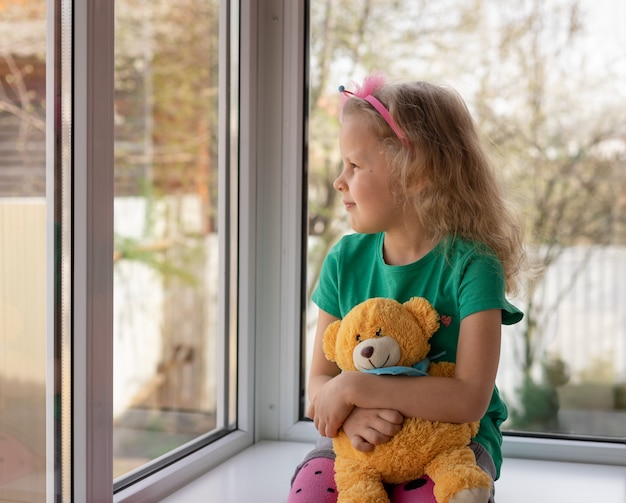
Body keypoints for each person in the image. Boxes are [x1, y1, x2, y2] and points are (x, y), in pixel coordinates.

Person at [288, 71, 526, 503]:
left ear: (417, 174)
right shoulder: (344, 261)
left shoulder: (473, 266)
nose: (339, 181)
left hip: (450, 441)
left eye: (356, 166)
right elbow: (320, 384)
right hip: (356, 439)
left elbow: (470, 398)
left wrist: (356, 388)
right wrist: (348, 417)